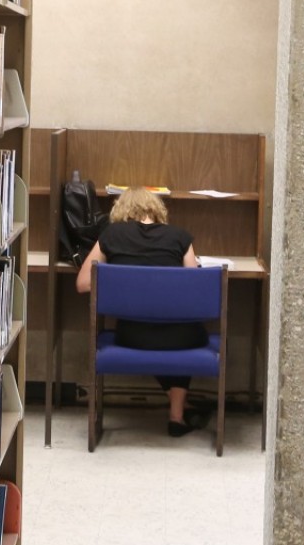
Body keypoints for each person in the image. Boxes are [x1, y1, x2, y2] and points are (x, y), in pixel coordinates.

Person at [76, 187, 215, 437]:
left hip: (132, 336)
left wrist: (121, 281)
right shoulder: (180, 237)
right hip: (182, 339)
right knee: (184, 330)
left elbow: (83, 283)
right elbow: (194, 292)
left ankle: (181, 410)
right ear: (156, 210)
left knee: (152, 334)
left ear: (121, 210)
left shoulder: (111, 235)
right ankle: (177, 415)